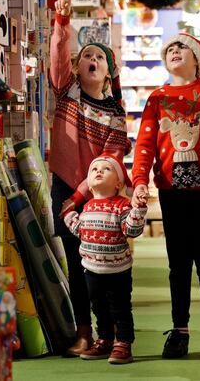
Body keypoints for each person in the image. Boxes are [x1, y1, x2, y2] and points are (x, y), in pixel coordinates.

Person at [131, 33, 200, 360]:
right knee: (178, 264)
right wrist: (139, 180)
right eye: (170, 49)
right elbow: (145, 145)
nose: (175, 51)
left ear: (198, 59)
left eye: (182, 48)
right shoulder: (157, 98)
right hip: (171, 192)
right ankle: (179, 330)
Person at [49, 0, 131, 356]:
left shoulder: (115, 113)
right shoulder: (66, 92)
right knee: (74, 260)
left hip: (96, 196)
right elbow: (57, 59)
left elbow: (110, 162)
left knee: (102, 266)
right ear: (78, 68)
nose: (91, 59)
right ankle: (84, 331)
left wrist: (82, 195)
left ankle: (111, 333)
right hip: (63, 186)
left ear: (109, 70)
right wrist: (62, 23)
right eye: (86, 56)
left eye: (98, 56)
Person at [64, 154, 146, 364]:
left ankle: (124, 342)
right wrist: (69, 216)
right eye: (94, 170)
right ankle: (105, 338)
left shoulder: (121, 206)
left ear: (119, 183)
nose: (99, 171)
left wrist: (138, 210)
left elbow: (132, 230)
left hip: (118, 270)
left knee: (120, 308)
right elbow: (80, 230)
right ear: (89, 186)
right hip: (91, 270)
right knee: (98, 307)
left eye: (106, 169)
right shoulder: (87, 207)